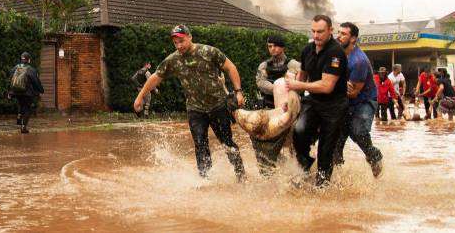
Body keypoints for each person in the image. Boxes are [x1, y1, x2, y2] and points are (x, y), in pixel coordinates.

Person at [134, 25, 246, 181]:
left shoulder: (209, 51)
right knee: (200, 145)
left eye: (181, 41)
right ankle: (205, 179)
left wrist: (238, 91)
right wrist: (140, 97)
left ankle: (240, 175)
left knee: (227, 142)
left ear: (190, 37)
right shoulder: (173, 60)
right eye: (175, 43)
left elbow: (230, 67)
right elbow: (155, 77)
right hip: (195, 109)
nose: (179, 46)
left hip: (218, 105)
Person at [285, 14, 349, 187]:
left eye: (320, 31)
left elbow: (327, 86)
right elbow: (303, 75)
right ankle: (305, 163)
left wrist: (298, 83)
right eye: (313, 31)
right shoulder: (308, 50)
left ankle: (322, 188)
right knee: (299, 131)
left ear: (330, 31)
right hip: (313, 101)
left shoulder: (336, 53)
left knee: (326, 150)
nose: (316, 35)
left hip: (334, 106)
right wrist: (292, 96)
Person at [333, 22, 383, 177]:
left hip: (364, 100)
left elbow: (353, 93)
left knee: (358, 132)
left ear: (353, 38)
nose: (338, 36)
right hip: (343, 99)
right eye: (338, 32)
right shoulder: (336, 54)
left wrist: (335, 85)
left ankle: (374, 156)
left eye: (343, 34)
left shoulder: (359, 61)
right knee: (336, 139)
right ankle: (336, 176)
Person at [251, 35, 298, 175]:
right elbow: (260, 83)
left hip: (290, 107)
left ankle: (297, 166)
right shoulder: (264, 66)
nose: (272, 49)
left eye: (275, 46)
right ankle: (270, 165)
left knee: (295, 135)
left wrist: (285, 89)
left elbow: (301, 80)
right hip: (270, 108)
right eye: (270, 46)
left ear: (282, 47)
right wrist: (278, 88)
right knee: (260, 134)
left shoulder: (294, 64)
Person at [8, 52, 44, 134]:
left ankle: (19, 115)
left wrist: (10, 92)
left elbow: (10, 79)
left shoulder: (15, 67)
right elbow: (36, 81)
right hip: (27, 93)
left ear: (21, 59)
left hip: (16, 92)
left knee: (21, 104)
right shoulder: (30, 69)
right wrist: (41, 90)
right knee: (27, 108)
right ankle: (23, 127)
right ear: (29, 60)